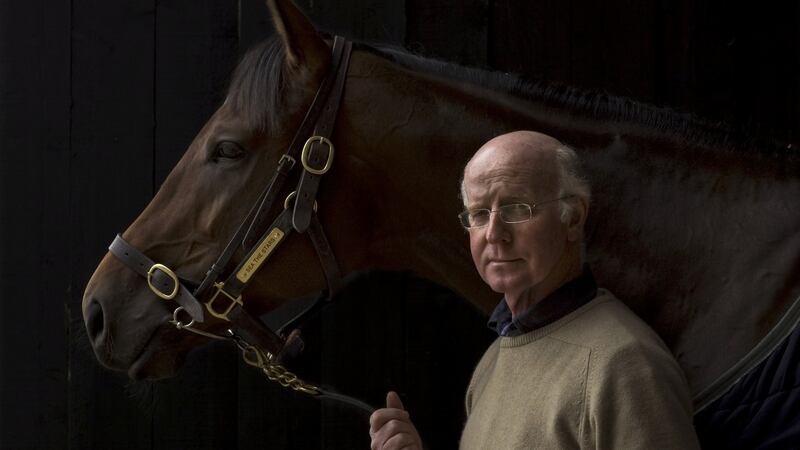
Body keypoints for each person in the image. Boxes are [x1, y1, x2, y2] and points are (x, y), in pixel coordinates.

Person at [368, 131, 701, 449]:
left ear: (573, 218)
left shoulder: (624, 364)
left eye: (515, 208)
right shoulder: (494, 361)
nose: (494, 234)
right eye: (480, 214)